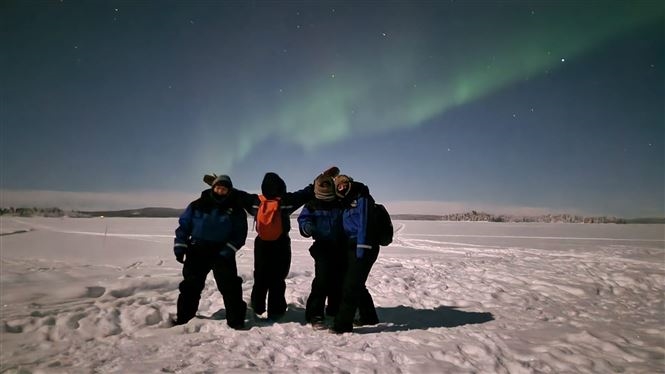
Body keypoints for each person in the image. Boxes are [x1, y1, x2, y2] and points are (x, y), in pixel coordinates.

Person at [234, 172, 314, 321]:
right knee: (278, 278)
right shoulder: (285, 201)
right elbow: (304, 194)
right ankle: (276, 311)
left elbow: (237, 195)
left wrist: (218, 183)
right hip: (281, 244)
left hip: (262, 244)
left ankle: (257, 307)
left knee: (260, 277)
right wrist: (319, 180)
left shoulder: (255, 202)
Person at [172, 174, 248, 329]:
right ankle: (183, 319)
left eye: (224, 189)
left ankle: (236, 321)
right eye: (218, 188)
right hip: (197, 250)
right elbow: (184, 226)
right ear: (213, 188)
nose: (220, 191)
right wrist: (180, 246)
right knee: (190, 286)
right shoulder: (197, 205)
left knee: (230, 287)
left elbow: (239, 234)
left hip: (222, 251)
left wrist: (227, 251)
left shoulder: (235, 209)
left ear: (229, 191)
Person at [331, 174, 380, 333]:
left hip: (364, 245)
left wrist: (361, 250)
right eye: (338, 186)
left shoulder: (362, 198)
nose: (342, 187)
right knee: (356, 283)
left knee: (351, 286)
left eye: (344, 184)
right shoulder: (345, 202)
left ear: (349, 184)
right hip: (351, 245)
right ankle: (369, 316)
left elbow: (364, 225)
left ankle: (342, 325)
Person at [297, 173, 346, 329]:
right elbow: (303, 219)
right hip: (322, 246)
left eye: (327, 185)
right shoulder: (312, 204)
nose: (325, 188)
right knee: (322, 280)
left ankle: (334, 309)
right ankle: (314, 314)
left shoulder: (339, 202)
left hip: (339, 246)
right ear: (318, 187)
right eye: (322, 185)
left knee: (338, 280)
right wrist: (306, 227)